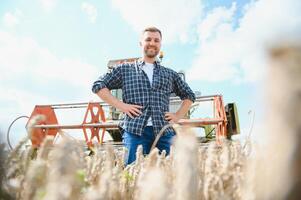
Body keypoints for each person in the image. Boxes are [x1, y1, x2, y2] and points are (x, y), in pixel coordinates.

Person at [92, 27, 195, 165]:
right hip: (134, 131)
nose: (152, 43)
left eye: (156, 40)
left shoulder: (170, 74)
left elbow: (189, 95)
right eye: (148, 39)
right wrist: (121, 106)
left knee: (172, 173)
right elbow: (98, 85)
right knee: (132, 172)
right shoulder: (125, 69)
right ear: (141, 43)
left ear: (160, 44)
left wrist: (177, 116)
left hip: (164, 131)